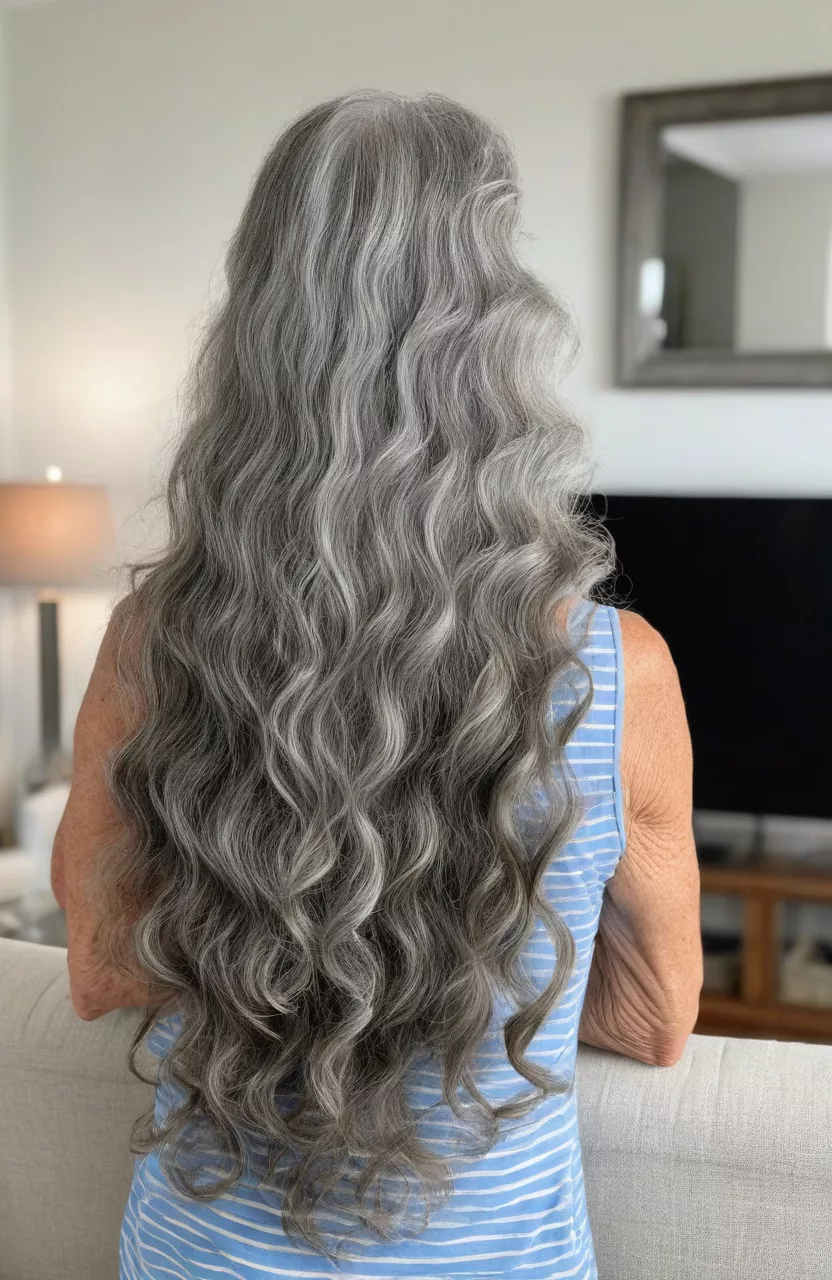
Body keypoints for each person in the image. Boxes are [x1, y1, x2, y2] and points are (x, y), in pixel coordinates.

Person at [52, 89, 702, 1280]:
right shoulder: (621, 673)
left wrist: (288, 979)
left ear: (253, 326)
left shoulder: (155, 641)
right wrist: (446, 1010)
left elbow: (99, 967)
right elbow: (654, 1022)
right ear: (500, 331)